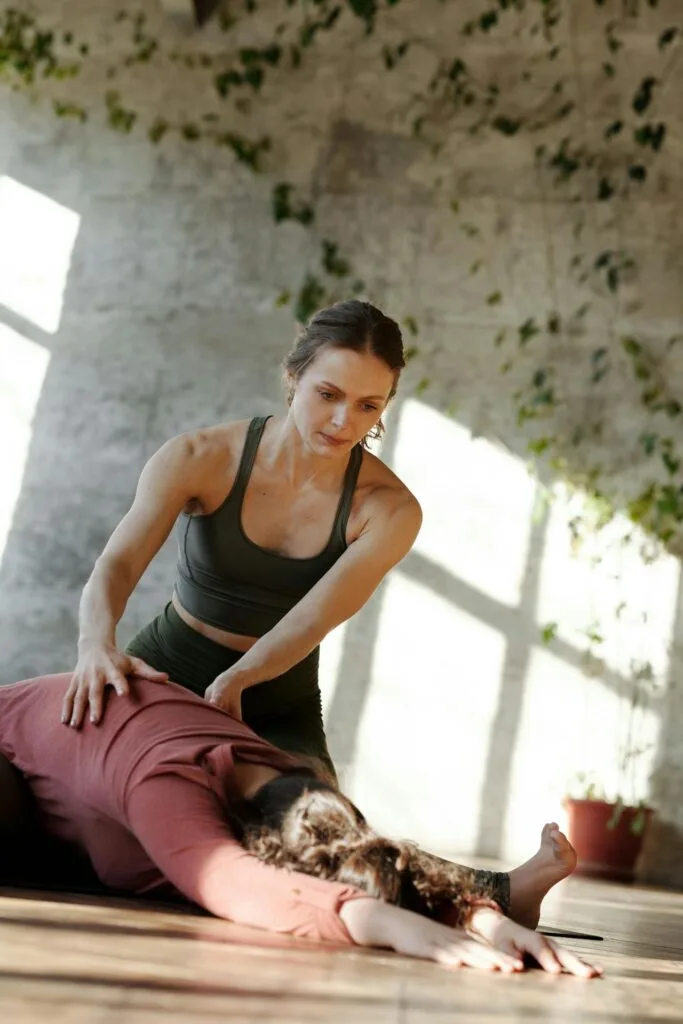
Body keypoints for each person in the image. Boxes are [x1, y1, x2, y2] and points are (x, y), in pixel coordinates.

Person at [0, 673, 600, 977]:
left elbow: (357, 857)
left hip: (76, 797)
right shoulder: (166, 781)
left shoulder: (280, 767)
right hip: (20, 758)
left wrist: (476, 915)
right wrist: (380, 923)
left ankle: (506, 895)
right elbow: (232, 880)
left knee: (123, 861)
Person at [61, 299, 422, 783]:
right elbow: (118, 565)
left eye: (367, 406)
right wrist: (95, 644)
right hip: (164, 670)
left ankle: (497, 868)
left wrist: (241, 678)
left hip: (278, 700)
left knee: (320, 834)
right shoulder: (200, 457)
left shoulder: (390, 509)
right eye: (328, 394)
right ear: (294, 376)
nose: (343, 422)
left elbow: (312, 619)